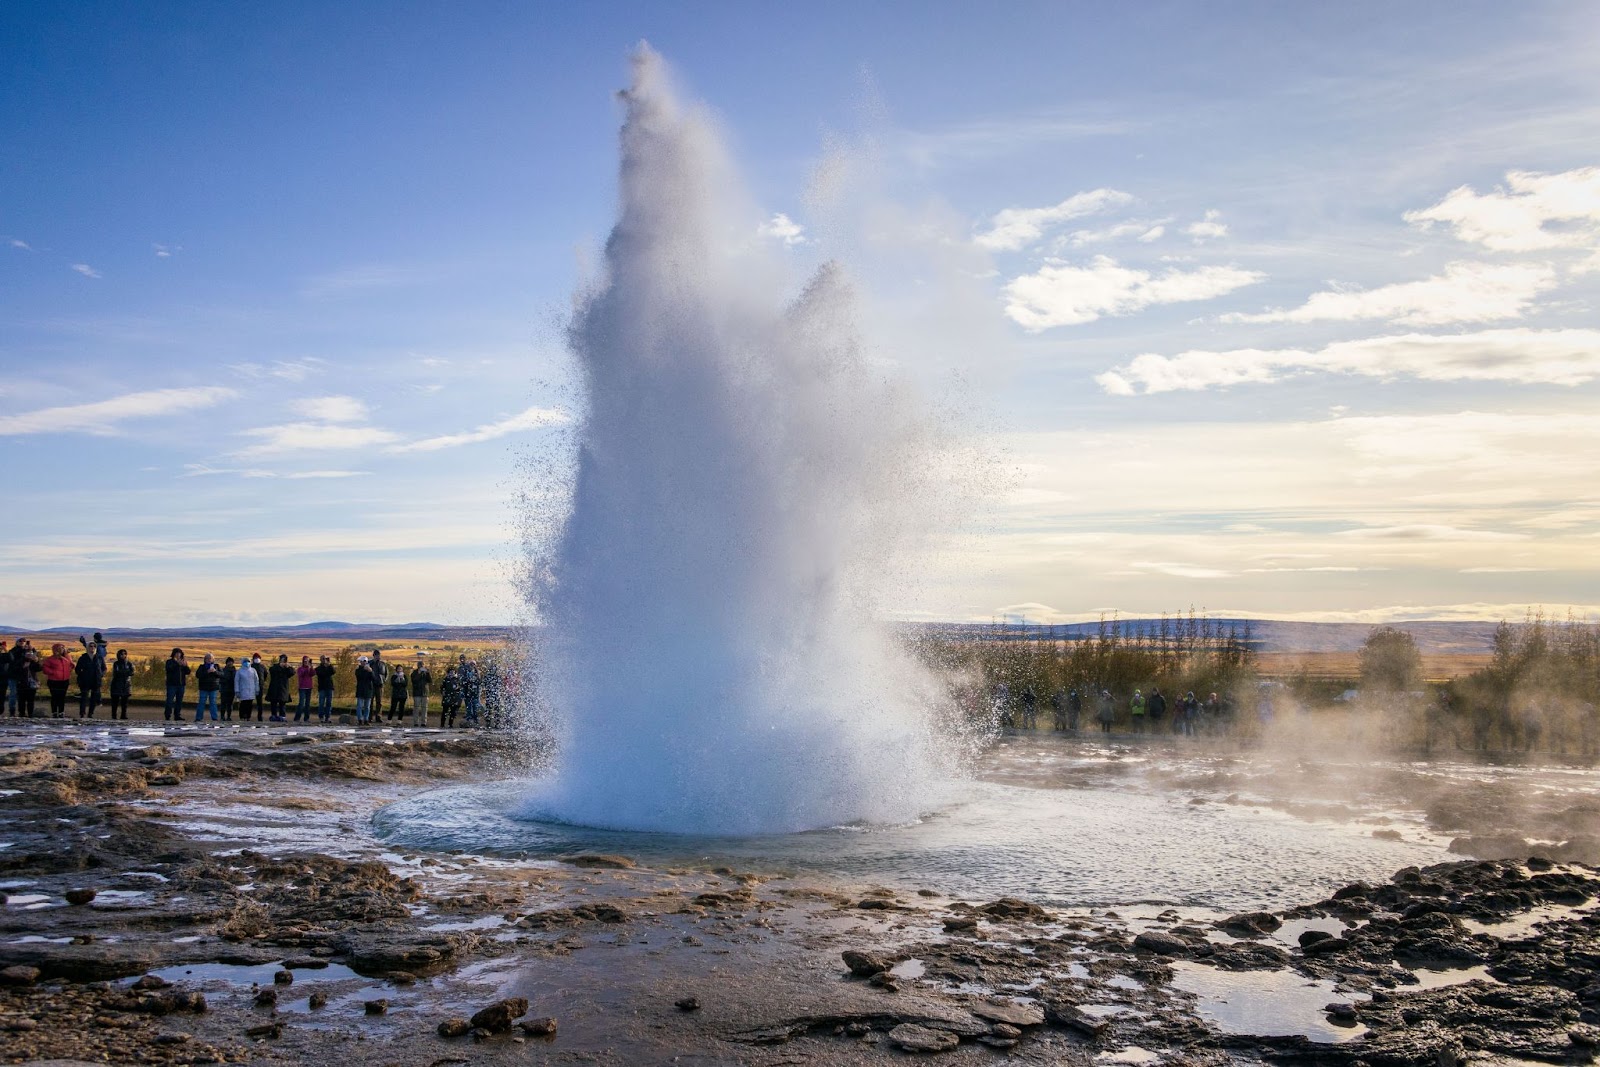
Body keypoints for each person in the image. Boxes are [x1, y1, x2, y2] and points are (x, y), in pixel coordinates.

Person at [44, 643, 74, 718]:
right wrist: (53, 672)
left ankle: (61, 712)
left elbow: (72, 665)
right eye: (59, 648)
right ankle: (54, 712)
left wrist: (68, 671)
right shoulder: (50, 659)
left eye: (62, 648)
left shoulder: (67, 658)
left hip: (64, 680)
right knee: (54, 697)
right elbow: (45, 669)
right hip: (53, 681)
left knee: (62, 697)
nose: (61, 650)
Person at [74, 644, 104, 718]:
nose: (92, 648)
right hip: (85, 681)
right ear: (87, 648)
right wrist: (83, 674)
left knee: (93, 698)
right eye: (90, 646)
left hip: (96, 681)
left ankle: (90, 713)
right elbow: (77, 669)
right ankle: (82, 713)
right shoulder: (83, 658)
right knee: (84, 697)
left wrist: (100, 674)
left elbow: (104, 668)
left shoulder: (99, 657)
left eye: (94, 646)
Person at [163, 648, 190, 721]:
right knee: (169, 700)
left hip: (181, 685)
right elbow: (169, 669)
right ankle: (167, 715)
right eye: (176, 653)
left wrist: (185, 666)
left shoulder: (183, 662)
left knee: (179, 701)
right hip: (172, 684)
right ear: (173, 654)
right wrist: (177, 664)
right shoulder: (169, 662)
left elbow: (188, 672)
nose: (178, 655)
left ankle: (177, 715)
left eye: (179, 653)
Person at [193, 653, 221, 722]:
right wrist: (207, 672)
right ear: (204, 660)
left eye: (210, 658)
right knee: (201, 703)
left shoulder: (216, 666)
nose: (208, 660)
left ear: (213, 659)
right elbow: (198, 675)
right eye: (207, 658)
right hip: (203, 688)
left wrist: (215, 672)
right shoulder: (201, 667)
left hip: (213, 688)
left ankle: (214, 718)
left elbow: (222, 675)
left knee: (213, 703)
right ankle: (198, 718)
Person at [266, 654, 294, 722]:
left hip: (283, 689)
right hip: (274, 688)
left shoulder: (287, 669)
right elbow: (271, 670)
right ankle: (274, 716)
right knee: (273, 703)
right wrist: (279, 666)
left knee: (282, 704)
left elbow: (292, 673)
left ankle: (282, 716)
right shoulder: (275, 667)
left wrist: (289, 667)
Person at [108, 649, 134, 720]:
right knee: (115, 702)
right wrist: (125, 672)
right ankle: (114, 715)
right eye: (121, 654)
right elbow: (116, 673)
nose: (123, 655)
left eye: (124, 654)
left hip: (126, 684)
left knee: (124, 703)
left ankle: (123, 715)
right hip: (117, 684)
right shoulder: (116, 664)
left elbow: (132, 672)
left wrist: (123, 672)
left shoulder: (129, 663)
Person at [233, 652, 259, 720]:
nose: (247, 663)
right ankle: (242, 716)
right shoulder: (239, 671)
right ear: (242, 662)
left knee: (250, 704)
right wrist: (237, 691)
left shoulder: (253, 670)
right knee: (243, 704)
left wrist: (257, 689)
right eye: (245, 661)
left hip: (251, 690)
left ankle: (248, 716)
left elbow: (256, 680)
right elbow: (236, 681)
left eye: (248, 661)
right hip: (243, 690)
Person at [410, 654, 432, 727]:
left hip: (425, 692)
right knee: (416, 708)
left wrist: (428, 673)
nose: (421, 666)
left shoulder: (426, 672)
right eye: (420, 665)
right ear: (418, 666)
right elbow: (414, 680)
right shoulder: (414, 673)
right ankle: (416, 722)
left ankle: (423, 722)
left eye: (422, 665)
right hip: (417, 693)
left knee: (424, 709)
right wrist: (419, 674)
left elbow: (430, 681)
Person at [314, 655, 336, 722]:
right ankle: (321, 717)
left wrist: (329, 665)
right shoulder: (318, 669)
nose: (324, 660)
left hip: (329, 687)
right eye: (323, 659)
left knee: (329, 703)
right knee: (321, 703)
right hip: (322, 687)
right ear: (320, 660)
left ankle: (328, 717)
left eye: (325, 659)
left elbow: (333, 672)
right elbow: (322, 674)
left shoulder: (329, 667)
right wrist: (325, 667)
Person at [354, 656, 375, 725]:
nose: (362, 663)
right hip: (360, 689)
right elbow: (359, 676)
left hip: (368, 690)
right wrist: (364, 669)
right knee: (359, 706)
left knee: (367, 706)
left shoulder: (370, 670)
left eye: (364, 661)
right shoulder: (358, 670)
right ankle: (360, 719)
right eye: (362, 662)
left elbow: (373, 679)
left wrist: (371, 671)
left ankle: (366, 719)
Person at [460, 657, 481, 727]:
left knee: (475, 709)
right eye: (471, 664)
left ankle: (476, 721)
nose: (472, 666)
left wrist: (478, 694)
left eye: (473, 664)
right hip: (467, 694)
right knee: (469, 709)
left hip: (475, 694)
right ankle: (469, 721)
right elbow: (463, 682)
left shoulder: (477, 673)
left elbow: (479, 683)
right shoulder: (466, 673)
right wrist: (468, 682)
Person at [369, 649, 389, 719]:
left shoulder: (383, 664)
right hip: (371, 685)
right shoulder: (370, 663)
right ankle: (369, 717)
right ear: (373, 656)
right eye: (376, 655)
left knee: (379, 702)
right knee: (370, 702)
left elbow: (386, 674)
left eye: (379, 655)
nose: (378, 657)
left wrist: (383, 681)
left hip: (380, 685)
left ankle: (378, 716)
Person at [439, 664, 461, 728]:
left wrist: (458, 689)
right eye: (450, 672)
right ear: (448, 673)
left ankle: (450, 724)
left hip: (454, 698)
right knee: (444, 712)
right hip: (446, 698)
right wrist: (443, 692)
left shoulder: (457, 679)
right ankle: (442, 724)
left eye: (453, 672)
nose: (452, 673)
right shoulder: (445, 679)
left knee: (452, 712)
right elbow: (442, 687)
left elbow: (460, 688)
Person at [294, 656, 314, 723]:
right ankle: (297, 717)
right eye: (305, 661)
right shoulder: (300, 669)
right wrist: (306, 669)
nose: (306, 662)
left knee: (307, 704)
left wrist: (311, 668)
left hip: (309, 687)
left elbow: (313, 674)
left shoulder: (310, 668)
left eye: (307, 661)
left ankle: (306, 718)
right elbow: (301, 674)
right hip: (302, 687)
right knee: (301, 703)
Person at [249, 654, 267, 722]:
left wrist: (262, 681)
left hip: (260, 686)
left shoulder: (262, 666)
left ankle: (260, 716)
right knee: (249, 701)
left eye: (258, 658)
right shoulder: (250, 666)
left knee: (260, 702)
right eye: (255, 658)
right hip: (251, 686)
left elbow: (265, 674)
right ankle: (248, 716)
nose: (257, 659)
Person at [220, 657, 238, 721]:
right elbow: (220, 680)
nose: (230, 663)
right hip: (224, 689)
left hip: (231, 689)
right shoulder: (223, 670)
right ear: (226, 663)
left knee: (230, 704)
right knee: (223, 704)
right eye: (229, 662)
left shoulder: (235, 671)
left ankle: (229, 716)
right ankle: (222, 716)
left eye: (231, 662)